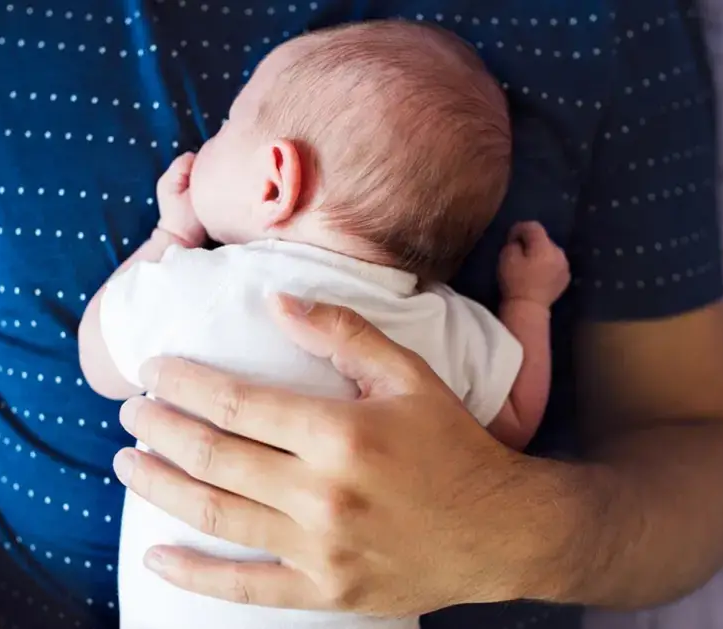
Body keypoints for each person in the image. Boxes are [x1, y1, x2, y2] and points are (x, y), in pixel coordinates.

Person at [0, 1, 723, 629]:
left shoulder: (600, 20)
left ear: (275, 172)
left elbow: (692, 444)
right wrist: (529, 301)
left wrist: (501, 531)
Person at [79, 22, 569, 628]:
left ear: (274, 182)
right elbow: (515, 423)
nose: (211, 140)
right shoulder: (443, 326)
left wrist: (169, 236)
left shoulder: (199, 286)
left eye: (229, 126)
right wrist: (528, 303)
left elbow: (98, 360)